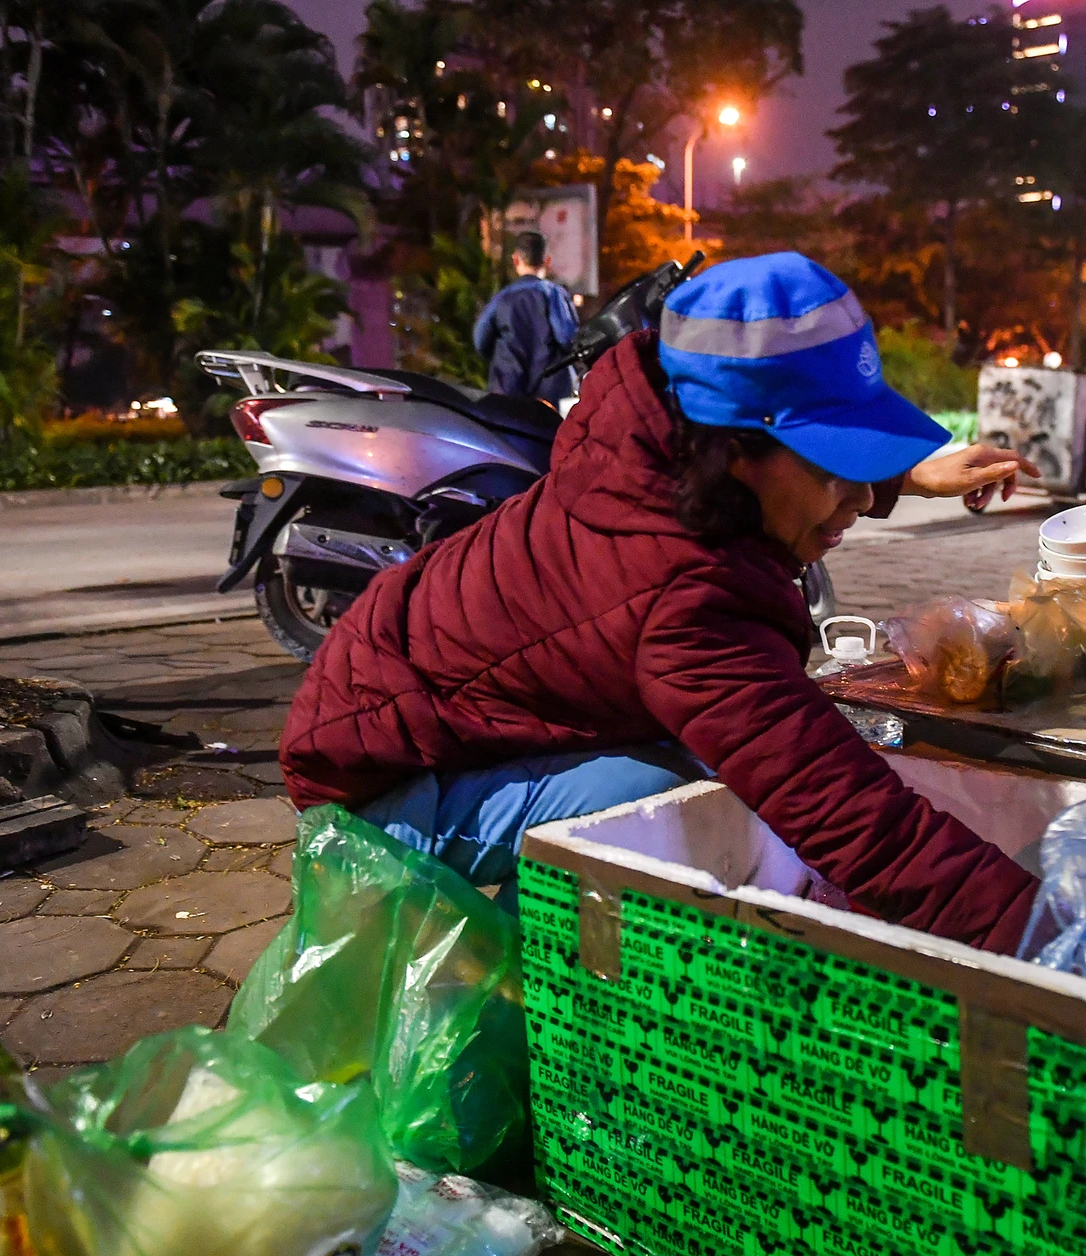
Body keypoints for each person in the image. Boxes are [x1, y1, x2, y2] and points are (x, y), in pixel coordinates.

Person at [281, 252, 1043, 952]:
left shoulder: (658, 436)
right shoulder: (683, 598)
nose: (855, 496)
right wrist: (1050, 946)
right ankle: (528, 991)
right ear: (734, 453)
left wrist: (905, 473)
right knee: (668, 792)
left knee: (712, 763)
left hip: (401, 696)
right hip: (377, 789)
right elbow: (863, 827)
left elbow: (794, 457)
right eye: (836, 466)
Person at [472, 231, 579, 403]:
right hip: (551, 395)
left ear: (515, 259)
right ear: (547, 261)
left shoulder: (502, 298)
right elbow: (567, 339)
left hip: (507, 392)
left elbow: (480, 340)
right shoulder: (554, 294)